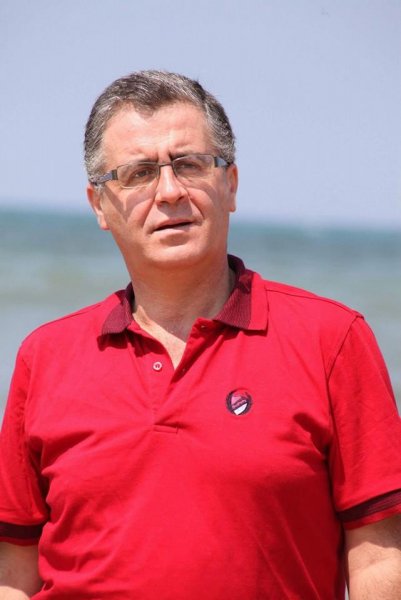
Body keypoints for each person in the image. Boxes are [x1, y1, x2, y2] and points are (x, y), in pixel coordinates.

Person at [0, 70, 401, 600]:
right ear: (100, 205)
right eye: (139, 173)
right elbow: (13, 573)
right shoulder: (45, 357)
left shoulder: (333, 340)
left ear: (230, 184)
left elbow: (379, 558)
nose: (170, 192)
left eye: (189, 164)